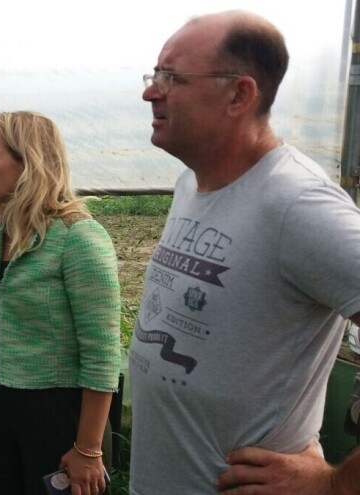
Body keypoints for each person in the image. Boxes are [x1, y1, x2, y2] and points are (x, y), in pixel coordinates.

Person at [129, 9, 360, 494]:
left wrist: (336, 483)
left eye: (173, 77)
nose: (152, 91)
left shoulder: (298, 205)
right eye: (155, 74)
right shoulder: (192, 183)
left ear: (239, 94)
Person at [0, 111, 123, 495]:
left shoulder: (79, 238)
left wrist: (89, 449)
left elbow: (101, 353)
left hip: (56, 414)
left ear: (29, 163)